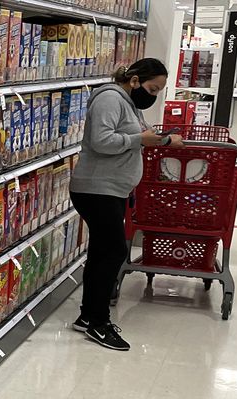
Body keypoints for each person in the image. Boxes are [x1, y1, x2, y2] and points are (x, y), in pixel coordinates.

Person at [69, 58, 183, 351]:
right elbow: (102, 141)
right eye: (152, 88)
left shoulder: (127, 102)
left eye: (158, 91)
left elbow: (136, 136)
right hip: (97, 189)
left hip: (112, 189)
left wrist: (164, 140)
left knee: (101, 252)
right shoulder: (110, 98)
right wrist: (139, 139)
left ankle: (88, 316)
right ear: (134, 80)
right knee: (114, 251)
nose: (153, 95)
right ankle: (98, 323)